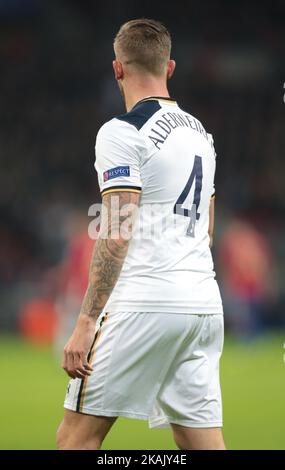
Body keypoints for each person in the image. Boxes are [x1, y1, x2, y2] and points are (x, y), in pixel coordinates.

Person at [56, 18, 225, 450]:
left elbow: (115, 231)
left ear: (117, 69)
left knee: (75, 439)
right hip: (203, 306)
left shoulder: (122, 132)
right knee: (199, 441)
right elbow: (207, 228)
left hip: (145, 303)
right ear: (170, 68)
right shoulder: (202, 136)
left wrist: (86, 322)